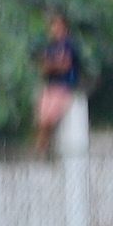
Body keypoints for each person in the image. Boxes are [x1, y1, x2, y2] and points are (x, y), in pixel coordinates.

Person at [33, 9, 78, 154]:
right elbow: (42, 66)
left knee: (48, 117)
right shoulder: (50, 46)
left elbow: (64, 64)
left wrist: (51, 65)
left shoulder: (67, 44)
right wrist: (54, 64)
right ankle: (39, 147)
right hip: (50, 85)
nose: (54, 29)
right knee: (40, 117)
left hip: (62, 86)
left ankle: (40, 148)